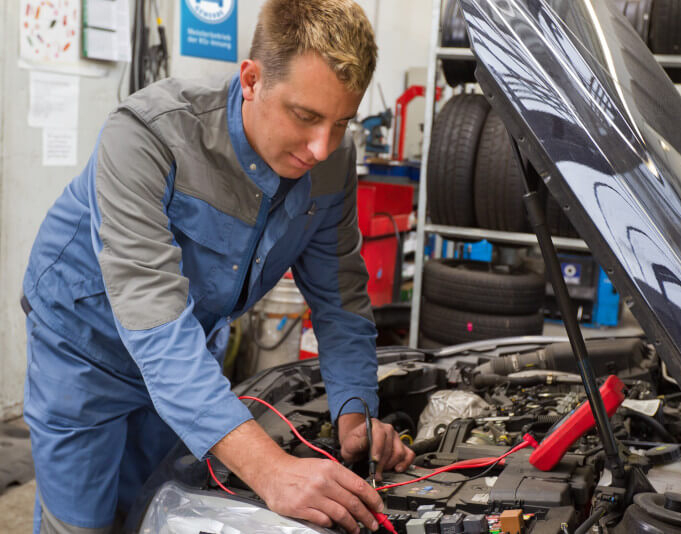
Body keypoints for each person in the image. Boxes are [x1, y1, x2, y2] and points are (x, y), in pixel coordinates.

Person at [21, 1, 414, 532]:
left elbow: (340, 301)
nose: (323, 147)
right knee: (82, 523)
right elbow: (155, 323)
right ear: (251, 79)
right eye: (305, 116)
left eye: (341, 122)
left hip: (189, 348)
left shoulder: (332, 165)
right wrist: (272, 471)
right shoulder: (147, 135)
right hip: (85, 345)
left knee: (152, 507)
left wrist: (354, 413)